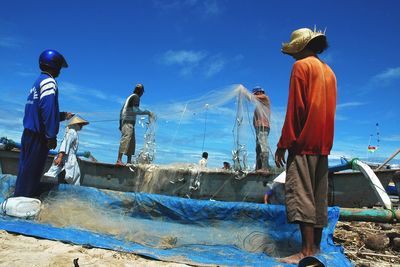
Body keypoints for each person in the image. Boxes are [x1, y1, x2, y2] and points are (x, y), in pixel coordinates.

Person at [274, 28, 337, 264]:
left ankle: (305, 252)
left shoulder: (301, 67)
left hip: (302, 142)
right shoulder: (329, 72)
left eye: (293, 50)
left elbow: (296, 109)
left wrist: (284, 143)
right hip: (323, 145)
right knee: (318, 197)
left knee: (301, 196)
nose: (291, 56)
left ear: (300, 47)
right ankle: (316, 248)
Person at [14, 49, 74, 197]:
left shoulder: (38, 81)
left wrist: (61, 116)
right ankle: (22, 201)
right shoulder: (49, 82)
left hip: (28, 133)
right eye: (59, 66)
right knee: (32, 172)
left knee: (25, 169)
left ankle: (19, 196)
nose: (60, 70)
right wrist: (51, 136)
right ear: (55, 66)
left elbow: (38, 111)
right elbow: (46, 110)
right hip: (39, 137)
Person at [44, 116, 89, 185]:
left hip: (68, 158)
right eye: (80, 124)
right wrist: (60, 157)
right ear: (75, 124)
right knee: (68, 177)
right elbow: (65, 144)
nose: (81, 126)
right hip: (67, 159)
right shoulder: (72, 132)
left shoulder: (73, 132)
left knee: (68, 177)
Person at [116, 84, 153, 166]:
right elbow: (136, 110)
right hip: (128, 123)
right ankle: (119, 160)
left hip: (127, 122)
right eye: (142, 91)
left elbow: (121, 111)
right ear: (141, 91)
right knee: (126, 139)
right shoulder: (136, 97)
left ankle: (129, 161)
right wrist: (147, 112)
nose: (142, 93)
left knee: (132, 142)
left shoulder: (130, 97)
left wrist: (120, 124)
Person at [252, 86, 271, 172]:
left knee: (263, 146)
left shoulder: (264, 98)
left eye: (255, 93)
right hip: (259, 127)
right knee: (258, 148)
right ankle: (258, 167)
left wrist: (244, 92)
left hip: (263, 126)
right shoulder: (259, 104)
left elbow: (252, 98)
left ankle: (265, 168)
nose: (254, 95)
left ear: (259, 92)